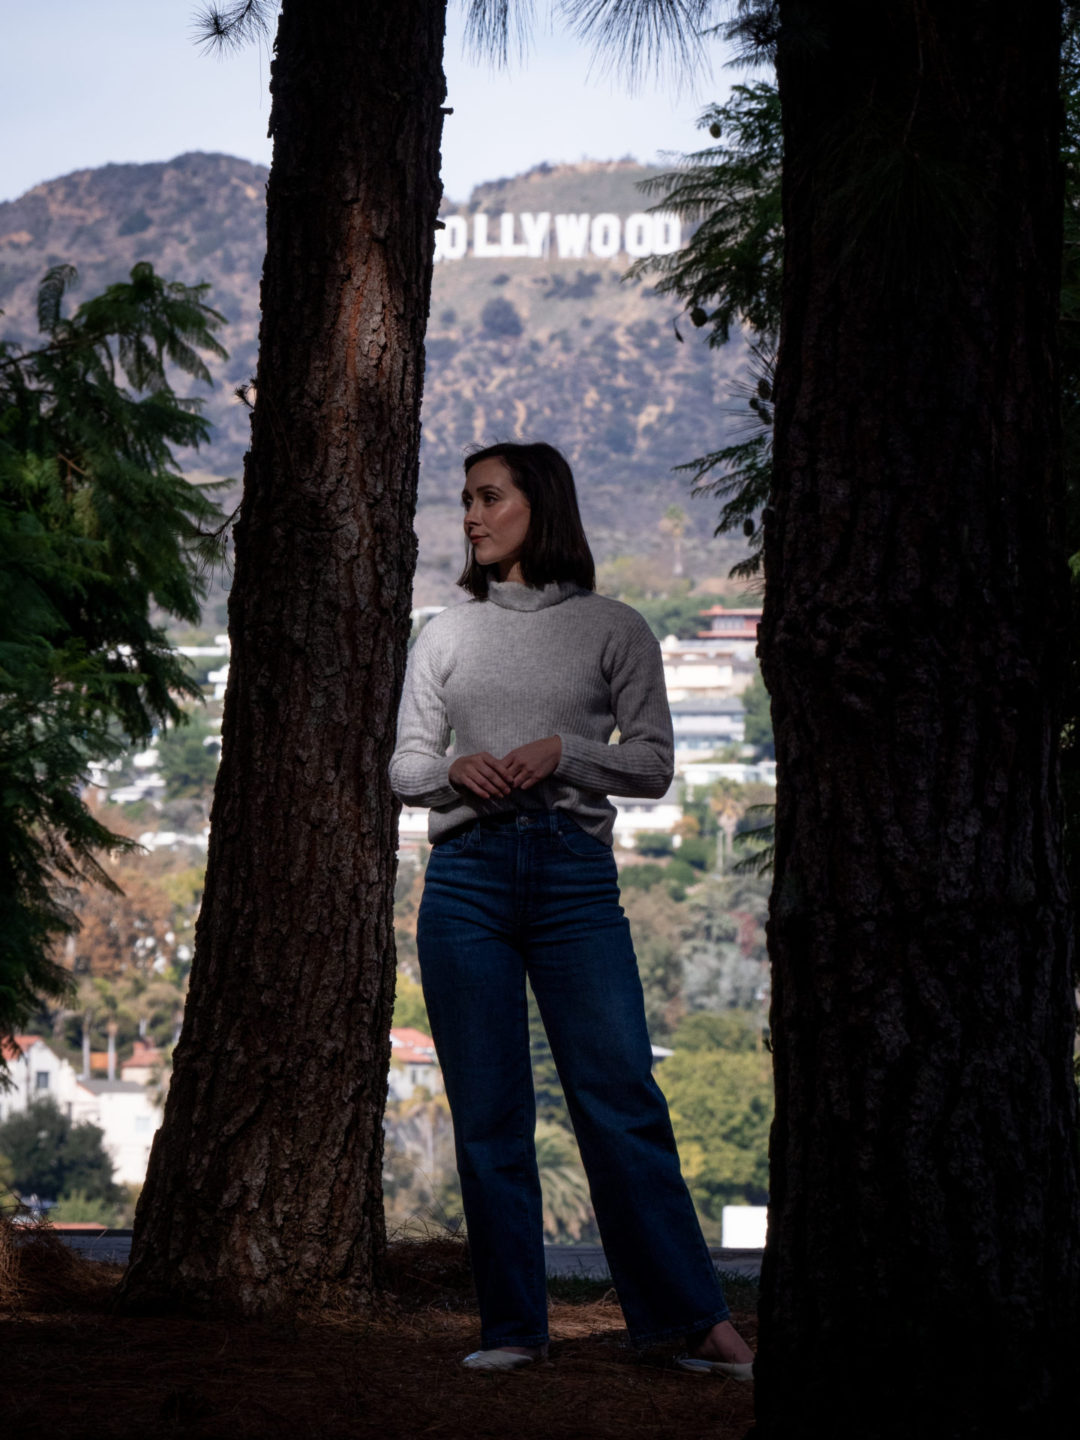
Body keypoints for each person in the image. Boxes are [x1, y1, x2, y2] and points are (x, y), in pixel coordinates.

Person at [389, 441, 755, 1378]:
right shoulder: (446, 631)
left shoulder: (614, 626)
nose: (470, 517)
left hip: (572, 877)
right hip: (465, 878)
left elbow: (654, 763)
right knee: (488, 1111)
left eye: (487, 498)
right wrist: (454, 771)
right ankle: (514, 1328)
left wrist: (563, 751)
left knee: (619, 1097)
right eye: (465, 500)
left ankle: (691, 1321)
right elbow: (406, 766)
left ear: (537, 506)